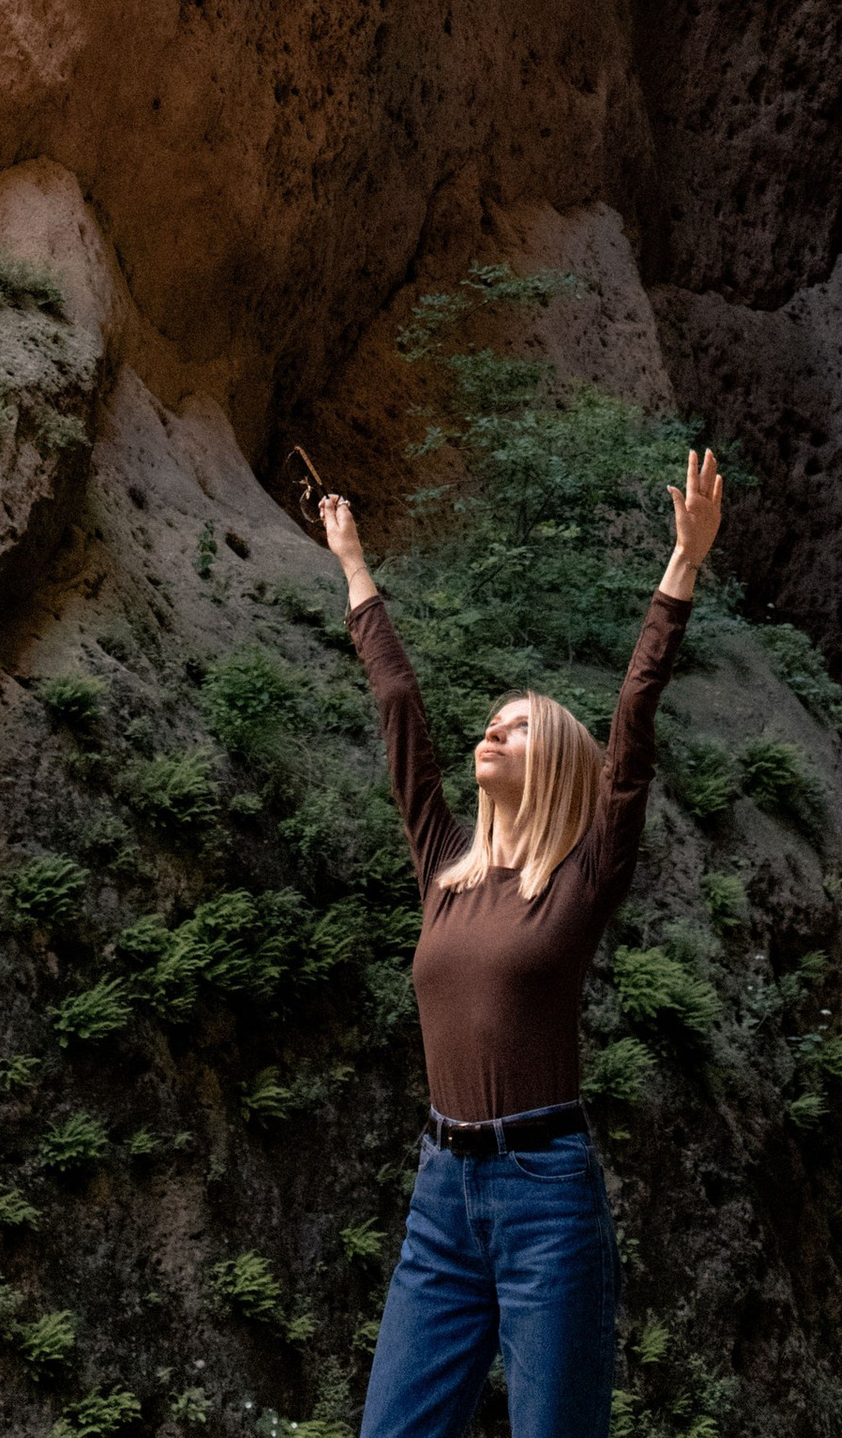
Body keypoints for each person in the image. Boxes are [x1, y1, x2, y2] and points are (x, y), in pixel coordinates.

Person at [317, 446, 724, 1438]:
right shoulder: (443, 870)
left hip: (547, 1201)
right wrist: (354, 565)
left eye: (518, 727)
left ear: (558, 767)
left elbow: (631, 731)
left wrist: (681, 570)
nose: (489, 733)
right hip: (440, 1199)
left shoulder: (579, 883)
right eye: (489, 724)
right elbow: (400, 716)